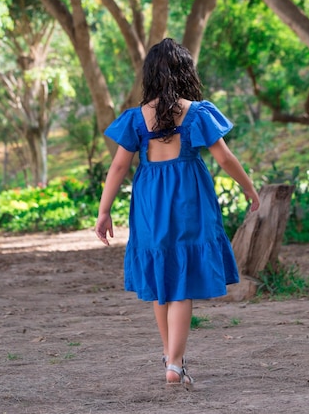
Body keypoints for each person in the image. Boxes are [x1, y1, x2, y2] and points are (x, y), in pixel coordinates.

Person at [95, 38, 260, 386]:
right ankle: (174, 363)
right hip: (189, 197)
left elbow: (118, 168)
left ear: (150, 76)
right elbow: (225, 158)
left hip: (150, 200)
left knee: (160, 280)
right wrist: (248, 188)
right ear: (186, 72)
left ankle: (172, 358)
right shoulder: (197, 113)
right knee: (182, 283)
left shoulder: (136, 118)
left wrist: (103, 210)